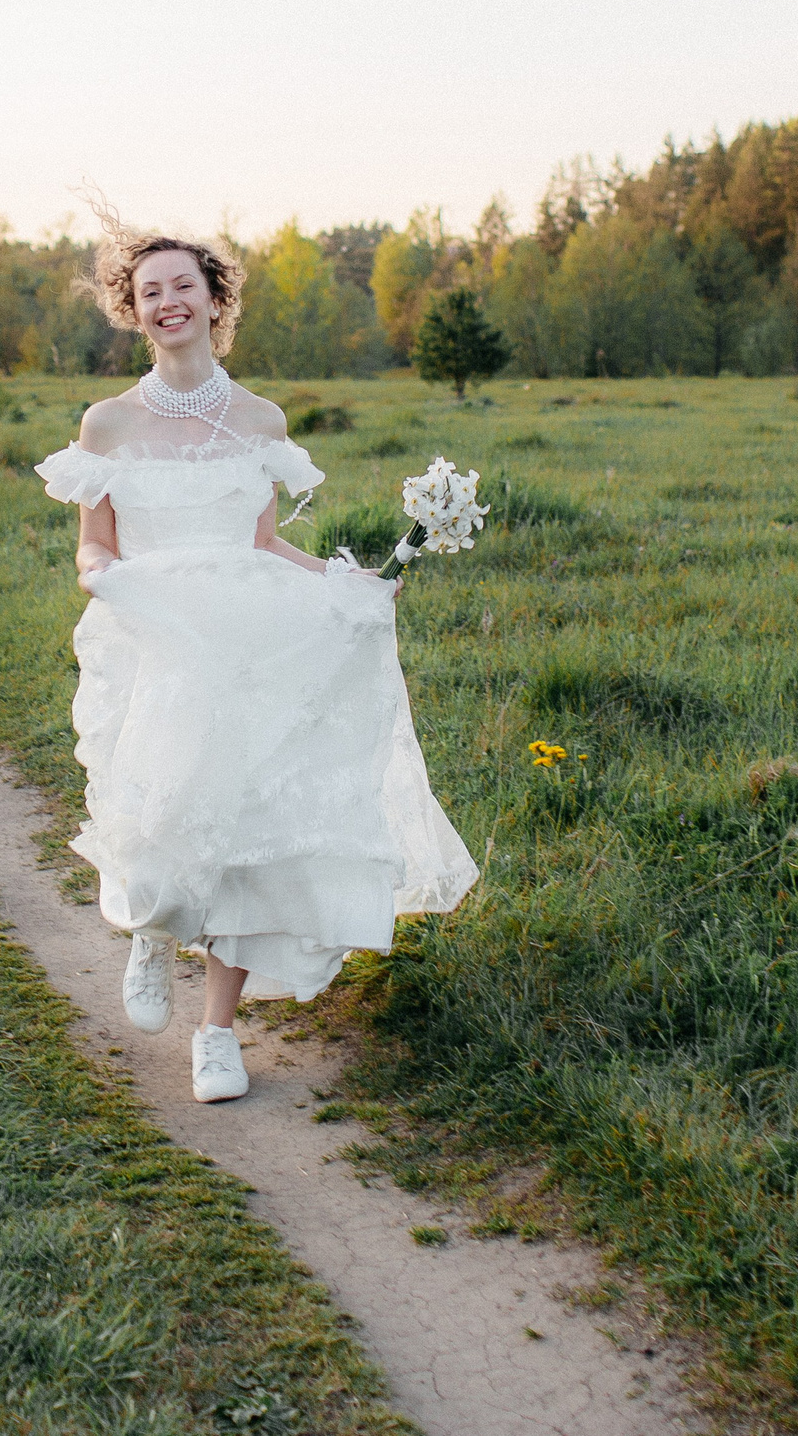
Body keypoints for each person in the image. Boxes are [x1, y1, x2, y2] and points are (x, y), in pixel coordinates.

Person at [34, 215, 478, 1103]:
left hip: (253, 644)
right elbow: (94, 547)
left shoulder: (259, 418)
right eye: (150, 290)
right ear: (134, 310)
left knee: (248, 832)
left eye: (182, 286)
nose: (168, 302)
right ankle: (152, 934)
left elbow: (265, 541)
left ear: (213, 299)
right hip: (165, 636)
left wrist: (349, 586)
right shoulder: (109, 424)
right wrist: (104, 584)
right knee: (163, 817)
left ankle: (218, 1035)